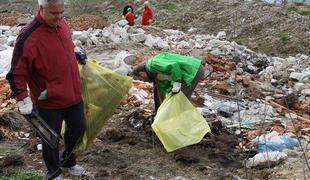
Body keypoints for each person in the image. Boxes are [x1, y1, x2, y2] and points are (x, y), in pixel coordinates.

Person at [6, 0, 86, 179]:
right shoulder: (28, 36)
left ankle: (67, 161)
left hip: (72, 93)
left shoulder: (62, 24)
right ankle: (54, 172)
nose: (59, 17)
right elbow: (16, 72)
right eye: (53, 13)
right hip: (48, 99)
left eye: (61, 12)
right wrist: (22, 98)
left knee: (79, 128)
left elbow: (61, 49)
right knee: (50, 139)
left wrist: (74, 53)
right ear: (41, 9)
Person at [132, 52, 205, 112]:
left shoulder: (152, 64)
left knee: (180, 101)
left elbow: (174, 66)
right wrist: (158, 112)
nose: (144, 81)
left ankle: (182, 124)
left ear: (141, 73)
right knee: (178, 101)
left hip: (192, 70)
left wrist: (176, 84)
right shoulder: (155, 76)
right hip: (191, 72)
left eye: (141, 79)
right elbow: (159, 95)